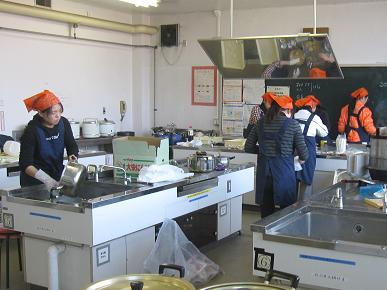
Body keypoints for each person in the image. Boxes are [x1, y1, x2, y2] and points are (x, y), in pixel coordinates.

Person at [245, 95, 308, 218]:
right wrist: (301, 160)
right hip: (284, 174)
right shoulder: (293, 124)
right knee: (286, 213)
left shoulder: (260, 123)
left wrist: (264, 152)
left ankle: (263, 237)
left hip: (264, 175)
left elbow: (248, 146)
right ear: (288, 110)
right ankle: (282, 237)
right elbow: (304, 153)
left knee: (266, 214)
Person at [19, 90, 79, 190]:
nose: (58, 116)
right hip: (35, 182)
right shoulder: (32, 130)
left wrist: (73, 155)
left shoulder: (63, 123)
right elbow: (25, 164)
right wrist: (46, 179)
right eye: (54, 112)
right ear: (41, 113)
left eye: (60, 111)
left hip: (57, 174)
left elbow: (71, 145)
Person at [294, 95, 328, 200]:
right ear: (312, 107)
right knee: (306, 180)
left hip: (293, 151)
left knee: (292, 179)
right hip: (307, 153)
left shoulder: (293, 115)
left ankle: (290, 211)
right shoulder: (314, 118)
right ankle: (303, 208)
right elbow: (324, 132)